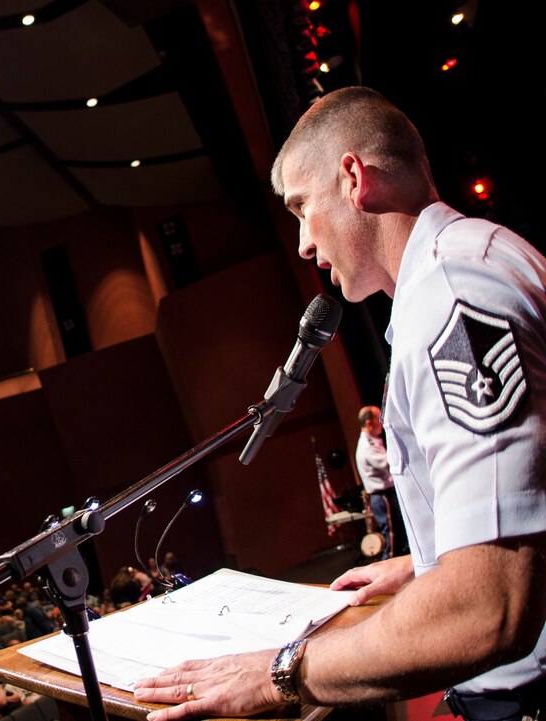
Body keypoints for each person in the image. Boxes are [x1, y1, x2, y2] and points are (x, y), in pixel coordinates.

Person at [132, 86, 546, 721]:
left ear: (353, 178)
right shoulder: (465, 265)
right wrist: (425, 565)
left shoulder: (454, 294)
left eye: (302, 207)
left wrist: (278, 675)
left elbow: (491, 610)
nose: (301, 242)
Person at [355, 405, 409, 560]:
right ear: (370, 423)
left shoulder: (373, 441)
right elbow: (387, 463)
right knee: (392, 538)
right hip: (382, 497)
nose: (382, 421)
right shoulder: (367, 446)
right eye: (379, 418)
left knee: (401, 537)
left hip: (388, 494)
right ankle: (388, 574)